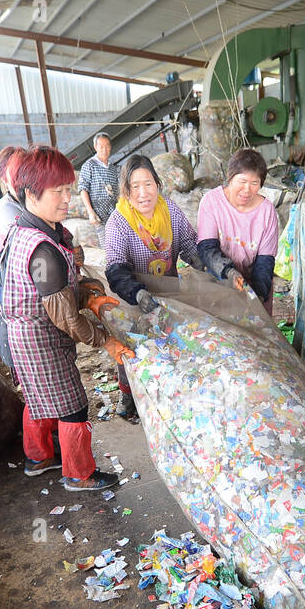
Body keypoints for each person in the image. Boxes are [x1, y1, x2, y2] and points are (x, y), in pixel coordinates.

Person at [1, 146, 134, 491]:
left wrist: (90, 293)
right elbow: (67, 321)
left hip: (22, 332)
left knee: (37, 395)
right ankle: (79, 474)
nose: (66, 198)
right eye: (57, 191)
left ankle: (39, 457)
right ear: (31, 193)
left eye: (68, 189)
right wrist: (108, 340)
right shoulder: (43, 249)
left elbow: (64, 282)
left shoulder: (32, 228)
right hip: (39, 338)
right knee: (73, 404)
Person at [97, 154, 199, 420]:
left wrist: (204, 262)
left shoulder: (171, 212)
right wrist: (137, 292)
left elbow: (189, 245)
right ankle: (128, 394)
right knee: (133, 349)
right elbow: (116, 269)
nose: (143, 193)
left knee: (170, 346)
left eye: (148, 184)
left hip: (170, 294)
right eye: (135, 186)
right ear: (126, 191)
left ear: (157, 184)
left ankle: (168, 395)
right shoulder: (119, 223)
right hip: (134, 300)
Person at [196, 148, 280, 314]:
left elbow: (265, 260)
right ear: (230, 178)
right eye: (242, 181)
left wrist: (257, 297)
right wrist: (229, 272)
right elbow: (207, 248)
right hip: (219, 280)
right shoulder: (212, 202)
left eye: (254, 183)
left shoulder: (266, 211)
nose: (247, 190)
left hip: (254, 284)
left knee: (256, 334)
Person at [0, 145, 26, 379]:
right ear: (4, 178)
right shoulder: (6, 211)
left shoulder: (22, 202)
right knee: (31, 375)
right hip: (17, 292)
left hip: (24, 290)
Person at [0, 145, 26, 252]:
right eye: (16, 176)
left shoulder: (26, 202)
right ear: (4, 179)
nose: (22, 181)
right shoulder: (6, 209)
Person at [77, 132, 119, 225]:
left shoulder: (112, 168)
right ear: (95, 147)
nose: (105, 150)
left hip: (113, 214)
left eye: (107, 146)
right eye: (101, 147)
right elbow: (83, 189)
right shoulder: (89, 165)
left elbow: (117, 193)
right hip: (98, 215)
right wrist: (90, 212)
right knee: (103, 239)